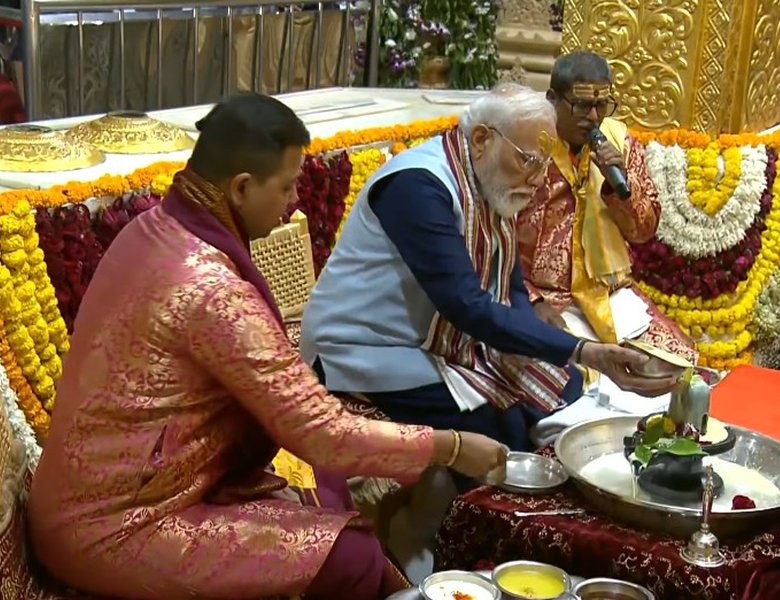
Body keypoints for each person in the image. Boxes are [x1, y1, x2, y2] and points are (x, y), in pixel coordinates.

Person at [26, 93, 507, 600]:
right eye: (285, 187)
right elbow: (320, 433)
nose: (294, 201)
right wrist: (449, 446)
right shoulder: (209, 288)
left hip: (107, 490)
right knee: (352, 557)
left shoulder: (153, 229)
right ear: (240, 188)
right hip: (117, 525)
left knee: (327, 485)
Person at [299, 83, 679, 458]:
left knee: (567, 387)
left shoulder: (487, 177)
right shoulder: (418, 186)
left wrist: (531, 346)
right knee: (503, 429)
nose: (536, 179)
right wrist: (586, 351)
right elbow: (466, 305)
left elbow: (510, 284)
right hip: (369, 347)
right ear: (481, 138)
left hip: (444, 342)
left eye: (544, 166)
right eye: (528, 160)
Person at [516, 51, 696, 360]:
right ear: (552, 100)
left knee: (676, 363)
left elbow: (643, 231)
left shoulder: (620, 144)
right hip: (545, 297)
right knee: (563, 375)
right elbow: (492, 232)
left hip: (608, 293)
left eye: (602, 105)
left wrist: (619, 187)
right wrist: (529, 299)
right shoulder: (525, 145)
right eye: (583, 105)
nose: (595, 117)